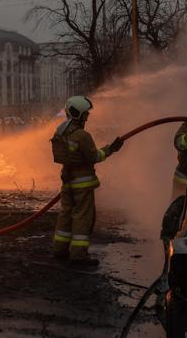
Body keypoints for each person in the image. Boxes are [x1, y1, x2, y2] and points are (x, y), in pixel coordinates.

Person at [51, 96, 124, 266]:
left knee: (66, 215)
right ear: (77, 114)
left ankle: (59, 250)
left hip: (67, 181)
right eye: (85, 114)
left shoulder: (60, 132)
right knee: (82, 217)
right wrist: (110, 149)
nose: (87, 117)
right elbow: (94, 156)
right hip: (82, 185)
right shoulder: (82, 135)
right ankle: (78, 255)